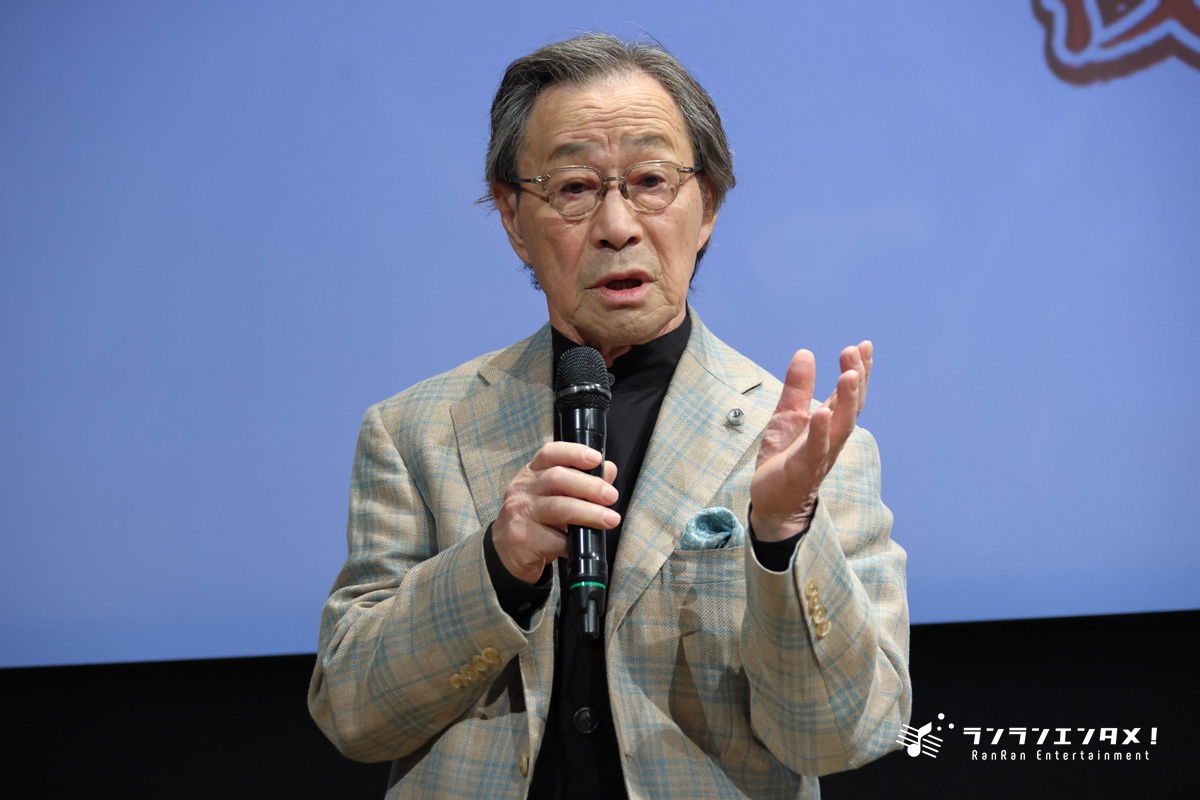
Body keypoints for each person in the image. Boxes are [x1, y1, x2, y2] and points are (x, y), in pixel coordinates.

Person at [308, 33, 910, 800]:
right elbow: (353, 716)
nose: (617, 225)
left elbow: (845, 734)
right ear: (512, 216)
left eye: (651, 181)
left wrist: (784, 535)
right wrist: (495, 563)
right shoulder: (413, 432)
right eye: (574, 188)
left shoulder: (810, 452)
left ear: (707, 205)